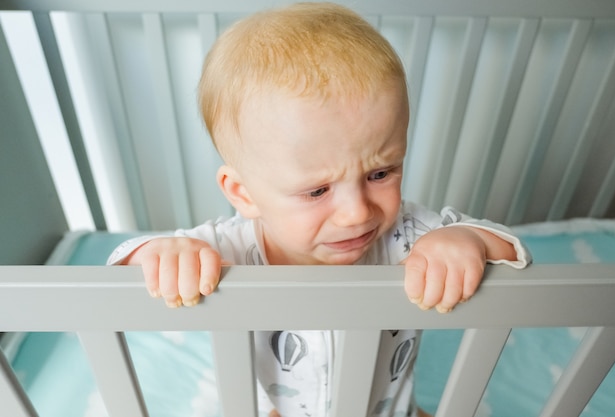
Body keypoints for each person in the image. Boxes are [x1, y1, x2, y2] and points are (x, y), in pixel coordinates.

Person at [108, 3, 531, 416]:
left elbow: (512, 254)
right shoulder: (226, 251)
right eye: (316, 191)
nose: (356, 213)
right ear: (243, 193)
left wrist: (466, 240)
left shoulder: (407, 235)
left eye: (380, 173)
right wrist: (160, 255)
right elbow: (121, 272)